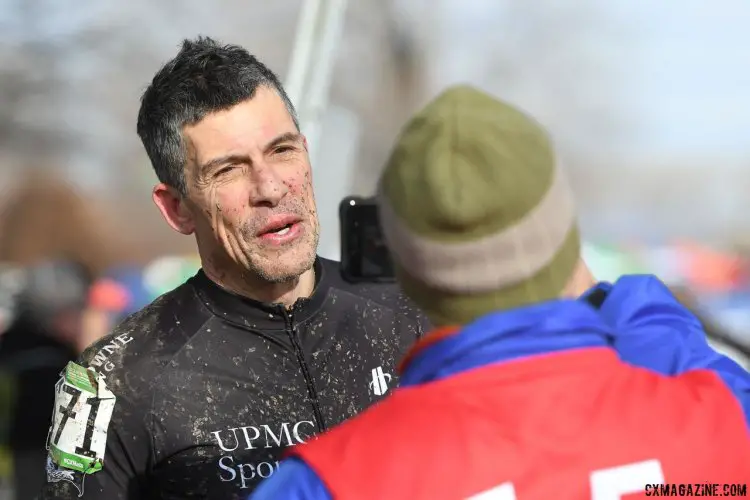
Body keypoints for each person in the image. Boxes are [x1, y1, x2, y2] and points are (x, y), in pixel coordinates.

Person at [250, 86, 750, 500]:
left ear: (400, 261)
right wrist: (608, 295)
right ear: (562, 237)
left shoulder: (325, 483)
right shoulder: (725, 418)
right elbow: (694, 368)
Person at [40, 37, 428, 500]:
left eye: (282, 150)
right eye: (228, 170)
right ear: (177, 208)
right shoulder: (114, 382)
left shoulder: (419, 316)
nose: (270, 187)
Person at [0, 259, 95, 500]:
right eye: (71, 314)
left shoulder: (19, 348)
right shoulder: (46, 358)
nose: (77, 322)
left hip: (26, 449)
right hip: (30, 450)